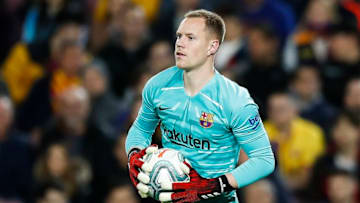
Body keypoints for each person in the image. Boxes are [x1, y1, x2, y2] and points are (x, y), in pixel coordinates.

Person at [126, 9, 275, 203]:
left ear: (212, 47)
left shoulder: (235, 99)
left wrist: (214, 185)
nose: (180, 43)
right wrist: (134, 155)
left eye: (190, 37)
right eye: (179, 36)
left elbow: (264, 159)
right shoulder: (158, 85)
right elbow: (140, 128)